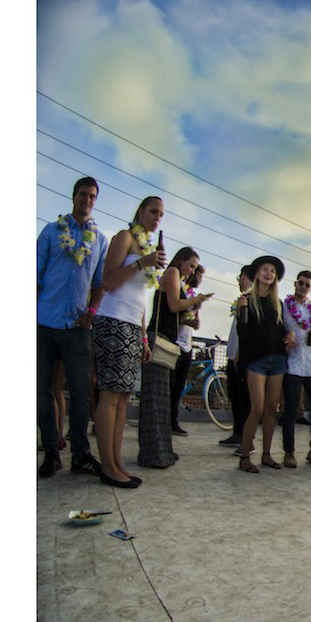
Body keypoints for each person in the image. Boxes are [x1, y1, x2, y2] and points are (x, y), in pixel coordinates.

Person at [91, 195, 168, 487]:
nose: (157, 217)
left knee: (124, 398)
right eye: (153, 211)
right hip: (112, 321)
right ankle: (107, 467)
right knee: (110, 396)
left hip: (133, 327)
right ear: (140, 211)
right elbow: (107, 282)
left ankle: (116, 462)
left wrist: (144, 336)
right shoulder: (124, 238)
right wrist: (142, 264)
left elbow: (142, 297)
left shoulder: (148, 246)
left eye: (161, 214)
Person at [37, 176, 109, 478]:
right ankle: (52, 453)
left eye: (93, 196)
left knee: (81, 392)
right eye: (83, 194)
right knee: (42, 391)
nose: (87, 200)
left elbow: (100, 284)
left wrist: (91, 313)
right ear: (73, 196)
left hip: (79, 326)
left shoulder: (100, 240)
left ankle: (80, 455)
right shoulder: (52, 232)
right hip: (44, 321)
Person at [140, 245, 212, 469]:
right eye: (191, 265)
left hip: (168, 340)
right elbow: (173, 305)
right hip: (158, 338)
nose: (192, 270)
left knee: (164, 399)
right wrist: (195, 299)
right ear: (180, 261)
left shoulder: (178, 279)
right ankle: (153, 452)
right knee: (155, 399)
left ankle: (163, 449)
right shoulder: (171, 273)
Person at [236, 256, 293, 472]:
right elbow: (243, 334)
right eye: (264, 269)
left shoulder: (277, 304)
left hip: (277, 360)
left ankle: (267, 454)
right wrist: (241, 311)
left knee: (272, 409)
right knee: (257, 409)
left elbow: (282, 331)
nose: (269, 273)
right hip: (256, 362)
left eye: (272, 271)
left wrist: (290, 337)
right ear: (256, 274)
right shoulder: (246, 300)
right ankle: (244, 456)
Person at [281, 270, 311, 468]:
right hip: (292, 364)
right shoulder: (284, 307)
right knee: (291, 411)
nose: (303, 287)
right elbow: (277, 331)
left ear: (310, 288)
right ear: (295, 284)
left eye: (307, 284)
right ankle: (288, 452)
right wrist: (284, 340)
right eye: (300, 283)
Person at [220, 265, 253, 450]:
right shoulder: (241, 300)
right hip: (233, 355)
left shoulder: (250, 300)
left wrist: (241, 352)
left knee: (243, 398)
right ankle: (237, 432)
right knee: (235, 395)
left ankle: (245, 437)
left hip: (241, 357)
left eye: (241, 277)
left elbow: (246, 330)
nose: (239, 281)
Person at [170, 264, 204, 435]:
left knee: (179, 386)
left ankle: (173, 420)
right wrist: (187, 321)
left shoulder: (193, 296)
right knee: (171, 384)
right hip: (174, 342)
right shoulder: (180, 290)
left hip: (187, 344)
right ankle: (166, 419)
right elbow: (172, 315)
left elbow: (194, 322)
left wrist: (196, 318)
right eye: (199, 274)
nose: (200, 279)